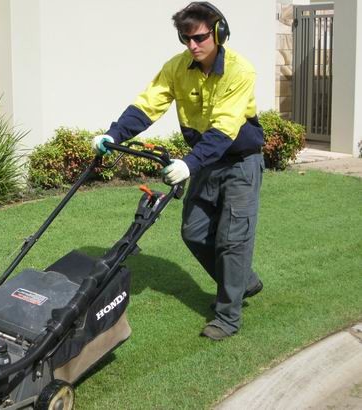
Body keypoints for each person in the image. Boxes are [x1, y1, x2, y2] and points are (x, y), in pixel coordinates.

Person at [92, 1, 264, 341]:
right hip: (205, 160)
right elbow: (147, 105)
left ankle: (227, 317)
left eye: (199, 38)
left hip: (239, 161)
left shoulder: (240, 71)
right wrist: (113, 134)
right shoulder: (177, 68)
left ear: (219, 33)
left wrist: (188, 163)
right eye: (185, 39)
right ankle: (243, 281)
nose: (192, 46)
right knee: (194, 231)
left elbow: (224, 129)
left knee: (233, 240)